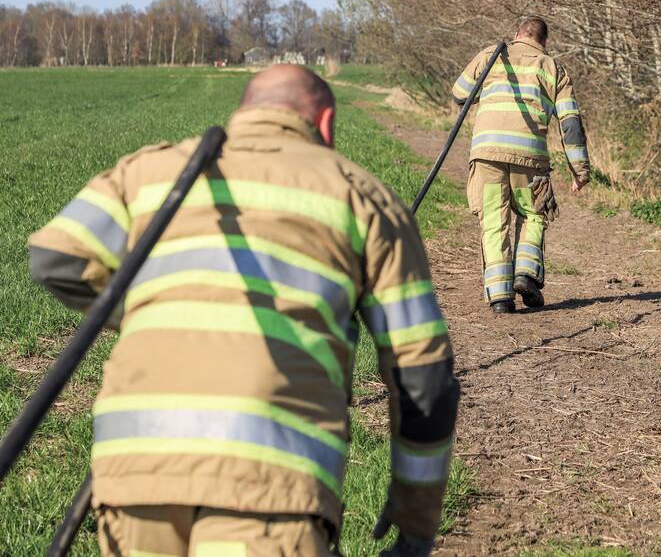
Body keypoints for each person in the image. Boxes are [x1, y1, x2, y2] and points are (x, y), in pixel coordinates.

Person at [29, 65, 458, 557]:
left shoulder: (146, 171)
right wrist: (416, 524)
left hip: (136, 471)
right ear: (325, 123)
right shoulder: (363, 198)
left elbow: (55, 258)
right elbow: (424, 378)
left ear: (244, 111)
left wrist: (149, 310)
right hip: (274, 481)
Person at [452, 17, 591, 314]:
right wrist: (579, 169)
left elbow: (459, 94)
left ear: (516, 34)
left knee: (493, 221)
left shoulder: (491, 56)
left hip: (487, 156)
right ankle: (526, 274)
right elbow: (570, 124)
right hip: (530, 159)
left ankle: (500, 298)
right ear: (545, 41)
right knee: (533, 214)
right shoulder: (553, 68)